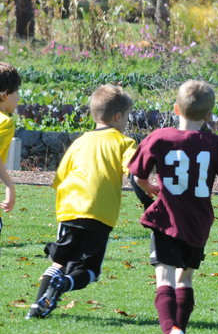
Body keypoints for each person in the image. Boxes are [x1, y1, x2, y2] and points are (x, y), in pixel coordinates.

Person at [128, 80, 218, 334]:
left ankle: (169, 333)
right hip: (199, 220)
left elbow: (137, 176)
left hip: (167, 217)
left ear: (175, 109)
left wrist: (150, 188)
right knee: (185, 279)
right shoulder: (215, 143)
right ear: (208, 116)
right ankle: (179, 332)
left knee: (165, 278)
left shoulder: (159, 137)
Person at [26, 84, 137, 319]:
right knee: (90, 271)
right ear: (118, 117)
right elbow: (136, 171)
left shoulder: (79, 142)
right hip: (99, 213)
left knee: (59, 261)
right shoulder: (123, 142)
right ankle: (63, 284)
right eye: (127, 116)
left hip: (69, 210)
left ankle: (36, 309)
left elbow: (59, 178)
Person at [0, 62, 19, 233]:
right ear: (5, 94)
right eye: (16, 92)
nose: (18, 98)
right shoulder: (5, 122)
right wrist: (9, 186)